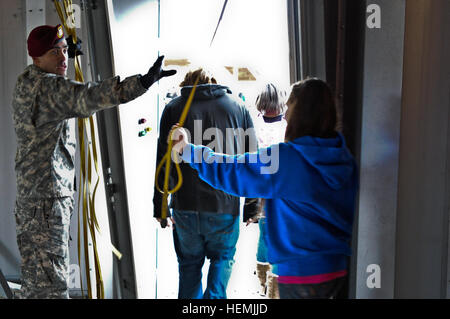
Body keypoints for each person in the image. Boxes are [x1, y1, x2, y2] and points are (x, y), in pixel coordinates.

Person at [12, 24, 176, 299]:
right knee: (50, 286)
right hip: (48, 200)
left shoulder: (25, 80)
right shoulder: (50, 88)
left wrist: (62, 53)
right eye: (55, 52)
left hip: (31, 200)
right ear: (37, 58)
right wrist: (143, 82)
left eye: (65, 50)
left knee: (35, 281)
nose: (64, 58)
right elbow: (90, 96)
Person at [170, 78, 359, 299]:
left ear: (302, 113)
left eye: (290, 107)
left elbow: (234, 171)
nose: (286, 115)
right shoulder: (345, 159)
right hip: (338, 268)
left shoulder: (287, 159)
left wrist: (188, 150)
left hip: (301, 274)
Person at [153, 68, 258, 299]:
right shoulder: (237, 108)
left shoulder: (173, 109)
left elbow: (163, 161)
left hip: (185, 206)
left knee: (189, 268)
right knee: (221, 262)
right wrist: (252, 205)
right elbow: (253, 157)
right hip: (225, 206)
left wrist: (160, 207)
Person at [250, 83, 287, 298]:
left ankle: (263, 282)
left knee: (264, 235)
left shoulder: (254, 126)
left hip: (263, 189)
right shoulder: (288, 126)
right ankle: (274, 288)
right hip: (283, 191)